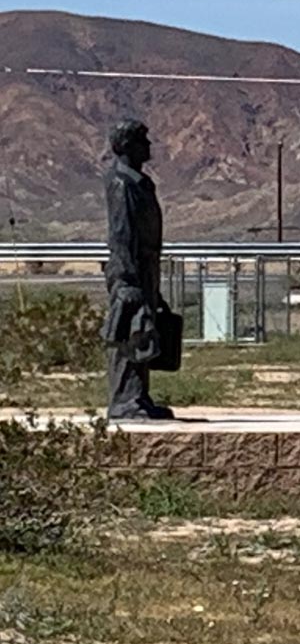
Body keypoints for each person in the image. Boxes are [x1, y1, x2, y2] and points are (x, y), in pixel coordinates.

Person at [101, 120, 175, 420]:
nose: (149, 146)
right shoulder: (121, 183)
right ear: (128, 145)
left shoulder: (141, 182)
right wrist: (126, 279)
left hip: (146, 267)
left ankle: (138, 395)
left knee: (144, 330)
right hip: (129, 269)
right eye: (143, 140)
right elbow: (121, 235)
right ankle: (123, 400)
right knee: (127, 332)